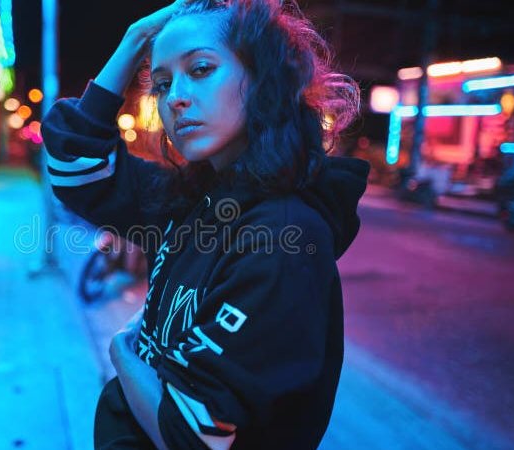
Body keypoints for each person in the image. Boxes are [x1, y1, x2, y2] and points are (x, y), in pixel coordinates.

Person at [40, 0, 370, 448]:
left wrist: (123, 355)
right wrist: (136, 38)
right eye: (162, 84)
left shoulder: (283, 238)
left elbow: (195, 436)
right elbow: (74, 167)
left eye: (200, 69)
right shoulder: (188, 198)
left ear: (263, 79)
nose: (175, 97)